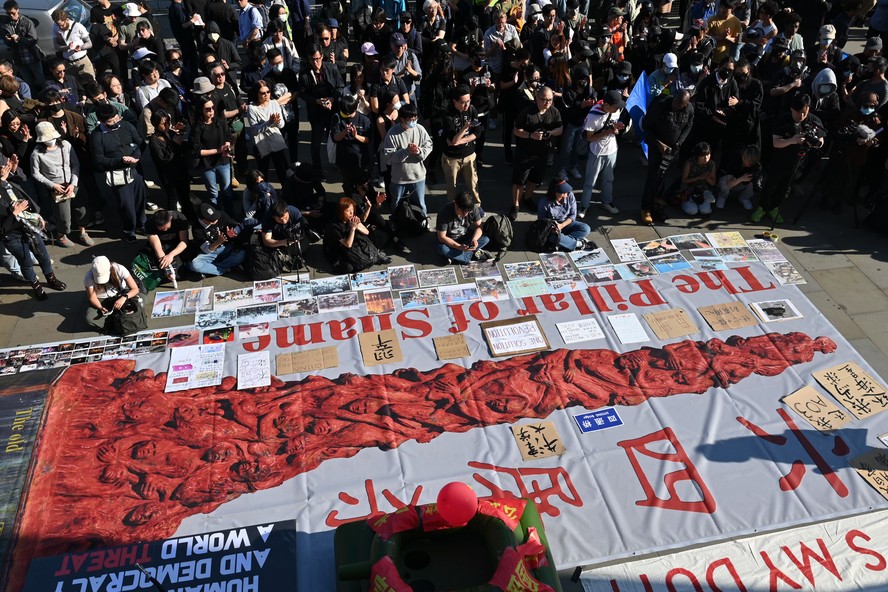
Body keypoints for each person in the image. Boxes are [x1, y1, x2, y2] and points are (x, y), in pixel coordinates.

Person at [751, 93, 824, 224]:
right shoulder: (782, 120)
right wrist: (792, 140)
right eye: (798, 112)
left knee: (785, 186)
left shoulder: (814, 120)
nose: (801, 116)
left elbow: (821, 139)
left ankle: (774, 208)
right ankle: (762, 207)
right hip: (780, 158)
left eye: (804, 112)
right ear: (791, 109)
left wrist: (816, 142)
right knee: (771, 184)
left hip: (798, 160)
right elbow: (776, 143)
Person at [0, 158, 66, 300]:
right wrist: (14, 214)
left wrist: (36, 216)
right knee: (26, 263)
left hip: (28, 228)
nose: (3, 168)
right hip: (12, 236)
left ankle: (51, 279)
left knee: (44, 256)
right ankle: (36, 286)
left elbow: (22, 183)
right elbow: (2, 230)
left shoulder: (6, 183)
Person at [29, 122, 92, 247]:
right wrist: (53, 185)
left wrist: (73, 183)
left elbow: (75, 164)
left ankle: (83, 232)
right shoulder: (36, 154)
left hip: (72, 182)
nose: (51, 141)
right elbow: (35, 173)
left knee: (81, 208)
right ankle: (61, 235)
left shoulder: (66, 145)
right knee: (63, 215)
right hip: (57, 187)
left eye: (52, 138)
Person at [90, 103, 146, 243]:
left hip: (134, 170)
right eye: (110, 121)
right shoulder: (97, 136)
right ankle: (129, 228)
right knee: (126, 204)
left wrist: (136, 158)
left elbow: (140, 143)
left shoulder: (126, 126)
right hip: (118, 175)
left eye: (116, 119)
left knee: (140, 200)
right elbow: (99, 160)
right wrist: (120, 161)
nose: (115, 122)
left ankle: (142, 224)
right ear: (102, 121)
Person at [640, 89, 695, 224]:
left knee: (664, 176)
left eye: (680, 105)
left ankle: (658, 205)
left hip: (672, 149)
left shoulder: (689, 109)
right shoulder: (660, 104)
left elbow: (689, 125)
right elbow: (646, 126)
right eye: (675, 102)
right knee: (654, 175)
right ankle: (646, 208)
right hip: (656, 146)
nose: (676, 106)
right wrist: (658, 143)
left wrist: (679, 142)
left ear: (686, 104)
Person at [509, 85, 563, 221]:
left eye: (550, 100)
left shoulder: (554, 111)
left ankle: (528, 198)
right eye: (544, 100)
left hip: (542, 152)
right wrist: (530, 135)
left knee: (535, 178)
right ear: (536, 98)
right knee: (519, 180)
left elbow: (560, 128)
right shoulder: (527, 112)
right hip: (525, 152)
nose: (547, 103)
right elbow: (516, 130)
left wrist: (550, 133)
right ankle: (515, 205)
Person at [580, 90, 626, 218]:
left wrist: (615, 129)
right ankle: (584, 206)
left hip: (612, 150)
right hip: (597, 152)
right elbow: (590, 138)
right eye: (615, 106)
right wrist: (608, 131)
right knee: (590, 181)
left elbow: (613, 128)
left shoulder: (615, 111)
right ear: (606, 105)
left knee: (608, 179)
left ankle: (607, 202)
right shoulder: (593, 116)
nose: (617, 109)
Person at [299, 45, 344, 174]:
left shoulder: (332, 68)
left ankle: (337, 164)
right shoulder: (304, 74)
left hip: (332, 111)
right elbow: (303, 94)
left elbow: (340, 87)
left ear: (322, 57)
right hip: (316, 113)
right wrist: (317, 101)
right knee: (316, 144)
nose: (315, 62)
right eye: (312, 60)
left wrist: (332, 99)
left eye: (317, 59)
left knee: (335, 140)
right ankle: (317, 170)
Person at [382, 102, 432, 216]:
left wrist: (419, 151)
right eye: (410, 120)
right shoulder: (392, 133)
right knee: (396, 203)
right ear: (402, 119)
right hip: (399, 178)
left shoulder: (420, 129)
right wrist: (406, 151)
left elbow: (428, 145)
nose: (413, 122)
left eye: (415, 119)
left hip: (418, 176)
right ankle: (394, 221)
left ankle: (423, 221)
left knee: (420, 203)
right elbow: (389, 156)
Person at [323, 197, 392, 273]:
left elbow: (366, 232)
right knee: (349, 268)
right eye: (348, 211)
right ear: (341, 212)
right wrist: (353, 228)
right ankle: (338, 265)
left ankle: (375, 254)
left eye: (352, 210)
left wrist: (358, 225)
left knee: (365, 234)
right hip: (337, 247)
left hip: (351, 242)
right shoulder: (334, 226)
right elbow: (348, 244)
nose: (351, 213)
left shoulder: (351, 218)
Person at [441, 86, 481, 204]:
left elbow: (477, 132)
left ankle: (477, 207)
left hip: (469, 155)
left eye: (468, 101)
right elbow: (453, 140)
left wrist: (459, 141)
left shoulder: (472, 109)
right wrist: (465, 128)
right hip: (452, 158)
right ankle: (452, 209)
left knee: (473, 185)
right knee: (452, 187)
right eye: (463, 102)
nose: (466, 105)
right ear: (454, 101)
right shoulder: (447, 115)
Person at [149, 109, 192, 217]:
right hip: (168, 175)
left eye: (168, 122)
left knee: (185, 196)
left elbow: (182, 148)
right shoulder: (154, 141)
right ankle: (174, 220)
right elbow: (163, 159)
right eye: (163, 123)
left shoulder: (170, 133)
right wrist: (174, 144)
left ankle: (189, 216)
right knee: (172, 198)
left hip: (181, 170)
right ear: (155, 124)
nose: (167, 125)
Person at [245, 80, 289, 183]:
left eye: (268, 92)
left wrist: (277, 122)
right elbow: (255, 130)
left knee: (282, 169)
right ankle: (264, 192)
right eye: (263, 93)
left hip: (275, 141)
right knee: (263, 171)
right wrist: (269, 123)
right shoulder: (252, 108)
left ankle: (286, 191)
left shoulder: (274, 104)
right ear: (256, 94)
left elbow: (282, 125)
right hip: (262, 144)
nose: (266, 95)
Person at [84, 255, 141, 332]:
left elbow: (135, 289)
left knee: (142, 300)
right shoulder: (88, 276)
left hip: (121, 294)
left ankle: (113, 321)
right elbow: (92, 297)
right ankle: (120, 321)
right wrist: (100, 307)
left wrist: (124, 298)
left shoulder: (119, 268)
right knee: (90, 319)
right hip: (102, 299)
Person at [330, 94, 372, 194]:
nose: (347, 116)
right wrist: (344, 132)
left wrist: (356, 136)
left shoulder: (364, 120)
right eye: (344, 113)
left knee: (363, 186)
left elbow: (368, 139)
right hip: (344, 160)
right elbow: (335, 138)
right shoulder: (337, 118)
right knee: (348, 185)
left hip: (360, 160)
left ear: (355, 109)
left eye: (349, 113)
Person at [190, 202, 247, 276]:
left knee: (242, 254)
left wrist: (233, 233)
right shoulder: (196, 228)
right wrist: (218, 242)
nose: (216, 220)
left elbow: (237, 225)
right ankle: (225, 268)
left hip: (228, 248)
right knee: (195, 264)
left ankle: (213, 268)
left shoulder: (221, 214)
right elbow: (206, 249)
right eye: (212, 220)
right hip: (211, 252)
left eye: (216, 217)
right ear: (203, 220)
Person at [435, 191, 492, 265]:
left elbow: (479, 226)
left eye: (468, 211)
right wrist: (458, 246)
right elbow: (442, 237)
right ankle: (469, 256)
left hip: (466, 239)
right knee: (442, 249)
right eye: (463, 211)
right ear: (456, 205)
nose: (465, 214)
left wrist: (474, 239)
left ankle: (456, 257)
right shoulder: (444, 212)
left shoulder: (473, 208)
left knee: (486, 239)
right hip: (450, 242)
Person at [538, 179, 594, 252]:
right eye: (563, 192)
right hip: (552, 228)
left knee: (586, 229)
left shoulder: (570, 195)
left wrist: (561, 225)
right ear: (556, 193)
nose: (566, 194)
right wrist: (552, 229)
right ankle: (578, 243)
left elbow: (573, 215)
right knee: (552, 238)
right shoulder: (544, 202)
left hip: (566, 223)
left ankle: (565, 242)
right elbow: (541, 221)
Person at [2, 1, 43, 89]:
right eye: (8, 13)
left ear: (18, 10)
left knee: (41, 80)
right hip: (19, 58)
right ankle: (33, 100)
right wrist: (8, 40)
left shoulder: (27, 22)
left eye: (13, 13)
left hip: (31, 56)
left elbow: (33, 40)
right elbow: (8, 43)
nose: (11, 15)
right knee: (28, 82)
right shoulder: (5, 24)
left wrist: (19, 38)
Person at [51, 8, 95, 81]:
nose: (60, 28)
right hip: (67, 63)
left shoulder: (78, 26)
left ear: (66, 20)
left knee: (90, 83)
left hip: (82, 60)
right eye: (58, 25)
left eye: (62, 25)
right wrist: (67, 47)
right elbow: (56, 46)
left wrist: (80, 48)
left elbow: (89, 43)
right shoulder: (55, 27)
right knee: (73, 85)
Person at [716, 144, 760, 210]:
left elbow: (757, 184)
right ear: (744, 157)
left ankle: (744, 198)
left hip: (738, 182)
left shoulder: (755, 165)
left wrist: (757, 181)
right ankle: (722, 196)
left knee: (754, 181)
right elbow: (728, 185)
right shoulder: (734, 159)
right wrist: (742, 178)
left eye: (753, 162)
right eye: (749, 161)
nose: (751, 164)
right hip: (728, 180)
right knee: (724, 181)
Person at [678, 141, 717, 215]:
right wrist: (699, 177)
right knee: (692, 211)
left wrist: (707, 178)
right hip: (689, 190)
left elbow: (713, 182)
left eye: (708, 155)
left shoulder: (711, 164)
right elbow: (684, 180)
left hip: (703, 191)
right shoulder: (689, 163)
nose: (706, 158)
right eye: (703, 156)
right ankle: (683, 202)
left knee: (705, 211)